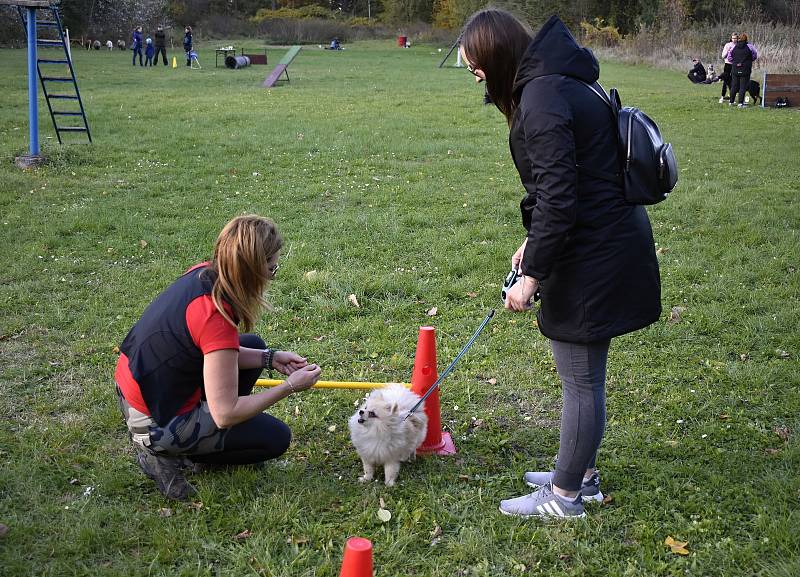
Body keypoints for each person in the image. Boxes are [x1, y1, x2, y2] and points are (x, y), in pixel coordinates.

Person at [460, 11, 661, 519]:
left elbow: (558, 198)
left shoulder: (543, 95)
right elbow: (570, 185)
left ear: (498, 57)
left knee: (580, 378)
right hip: (602, 240)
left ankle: (566, 495)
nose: (477, 79)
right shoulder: (559, 80)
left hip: (593, 252)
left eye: (477, 69)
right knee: (585, 375)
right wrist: (533, 247)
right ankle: (582, 474)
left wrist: (530, 277)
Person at [115, 215, 323, 500]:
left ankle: (192, 440)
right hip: (153, 419)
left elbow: (216, 354)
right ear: (251, 269)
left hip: (138, 390)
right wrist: (289, 387)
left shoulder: (204, 274)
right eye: (271, 268)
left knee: (253, 345)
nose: (272, 276)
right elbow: (225, 414)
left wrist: (270, 358)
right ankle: (167, 452)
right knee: (275, 438)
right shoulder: (216, 315)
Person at [729, 32, 757, 107]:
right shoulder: (750, 47)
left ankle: (731, 102)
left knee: (734, 86)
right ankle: (740, 103)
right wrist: (749, 60)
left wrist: (735, 62)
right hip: (745, 69)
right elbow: (754, 56)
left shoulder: (734, 47)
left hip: (735, 69)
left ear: (738, 39)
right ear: (746, 39)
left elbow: (729, 57)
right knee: (743, 87)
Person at [719, 32, 739, 103]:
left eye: (735, 38)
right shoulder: (728, 45)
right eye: (733, 38)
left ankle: (732, 97)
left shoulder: (739, 45)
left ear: (737, 38)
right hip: (728, 64)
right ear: (731, 38)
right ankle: (722, 96)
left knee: (734, 81)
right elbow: (723, 56)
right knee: (725, 81)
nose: (734, 40)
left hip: (735, 65)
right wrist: (728, 51)